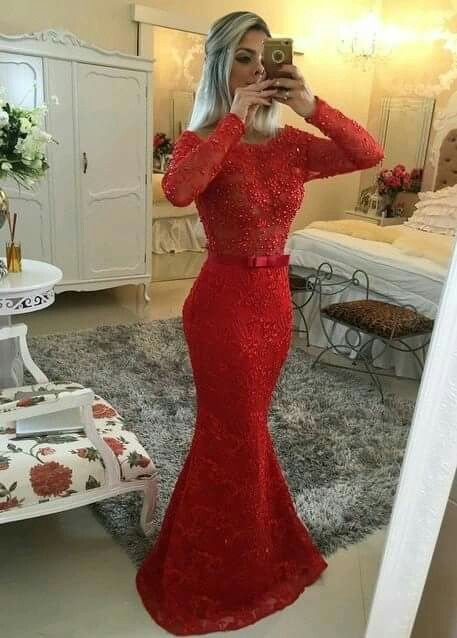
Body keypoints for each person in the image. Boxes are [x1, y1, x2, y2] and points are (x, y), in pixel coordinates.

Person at [136, 10, 384, 636]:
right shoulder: (202, 139)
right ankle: (225, 566)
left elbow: (370, 152)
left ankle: (247, 542)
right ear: (221, 65)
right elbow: (179, 190)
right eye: (241, 58)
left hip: (273, 304)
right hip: (221, 307)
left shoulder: (294, 146)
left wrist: (311, 104)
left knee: (242, 430)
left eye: (264, 57)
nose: (254, 69)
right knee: (234, 430)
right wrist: (232, 121)